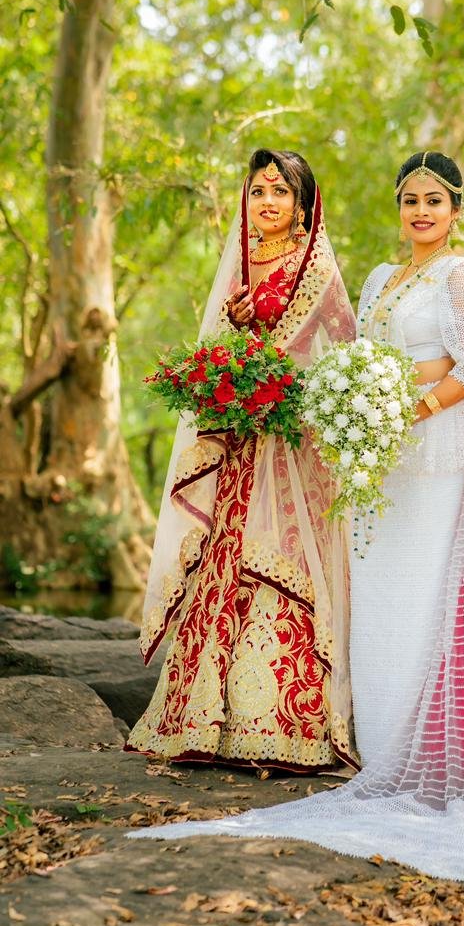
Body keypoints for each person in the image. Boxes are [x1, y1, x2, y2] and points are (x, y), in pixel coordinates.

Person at [128, 153, 464, 890]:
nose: (420, 212)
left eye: (434, 201)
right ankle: (379, 748)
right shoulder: (378, 278)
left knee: (431, 596)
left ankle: (428, 752)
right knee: (376, 595)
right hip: (381, 455)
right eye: (410, 200)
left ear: (456, 210)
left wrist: (406, 403)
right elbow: (353, 354)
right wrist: (357, 396)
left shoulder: (462, 274)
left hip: (439, 449)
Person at [127, 149, 357, 772]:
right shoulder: (242, 261)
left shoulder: (317, 267)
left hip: (292, 442)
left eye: (281, 191)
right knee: (224, 552)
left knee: (279, 549)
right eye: (258, 191)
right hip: (240, 440)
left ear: (303, 205)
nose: (268, 202)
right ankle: (200, 719)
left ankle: (284, 726)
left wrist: (293, 392)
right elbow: (226, 346)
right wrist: (224, 379)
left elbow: (344, 348)